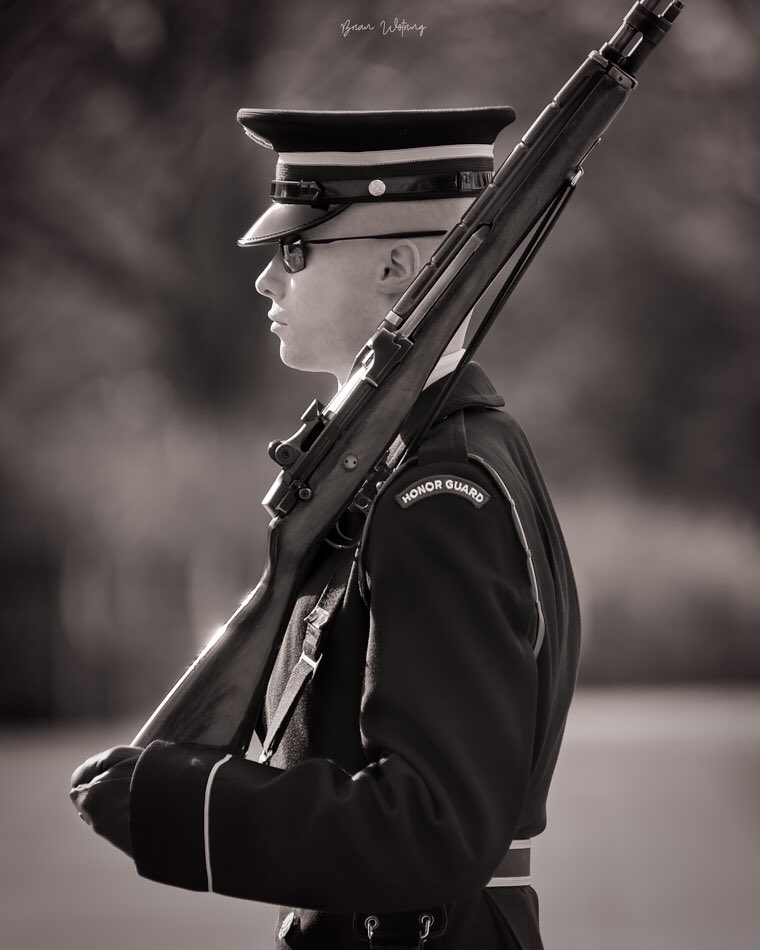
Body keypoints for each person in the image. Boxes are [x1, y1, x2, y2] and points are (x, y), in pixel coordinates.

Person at [71, 108, 581, 950]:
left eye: (295, 250)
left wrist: (186, 805)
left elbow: (432, 828)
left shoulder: (440, 491)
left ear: (395, 266)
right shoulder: (412, 457)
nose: (269, 281)